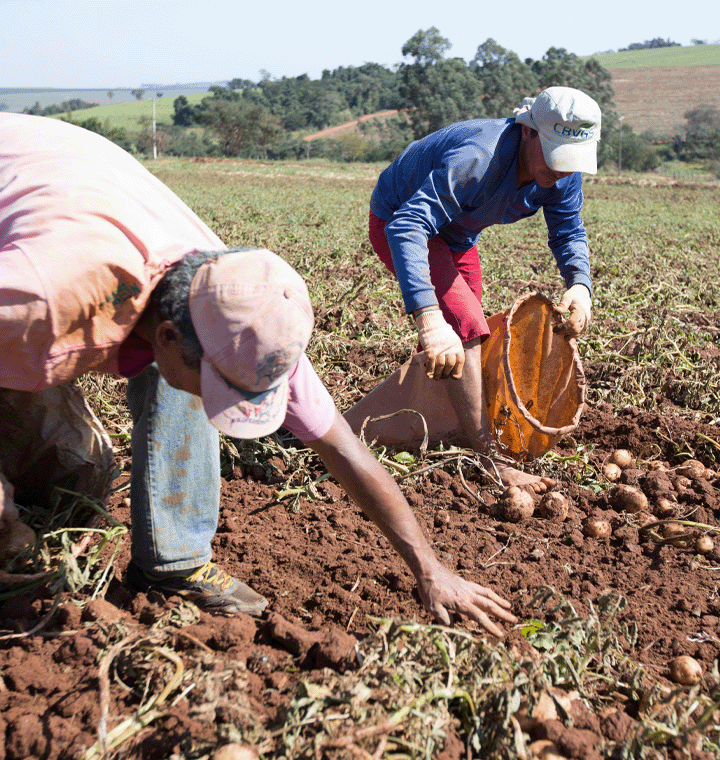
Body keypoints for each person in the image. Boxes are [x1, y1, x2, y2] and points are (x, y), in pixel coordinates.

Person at [0, 112, 516, 637]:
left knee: (69, 474)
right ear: (167, 338)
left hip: (78, 184)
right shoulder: (41, 299)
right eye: (224, 388)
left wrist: (429, 568)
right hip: (34, 215)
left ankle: (172, 563)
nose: (229, 404)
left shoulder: (240, 312)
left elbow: (344, 449)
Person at [369, 86, 601, 493]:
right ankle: (489, 459)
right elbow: (407, 226)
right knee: (465, 327)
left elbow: (568, 229)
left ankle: (439, 418)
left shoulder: (563, 176)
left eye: (570, 159)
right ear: (528, 131)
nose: (562, 169)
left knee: (466, 340)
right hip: (400, 222)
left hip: (458, 236)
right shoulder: (479, 157)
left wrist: (580, 284)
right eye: (554, 153)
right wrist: (428, 319)